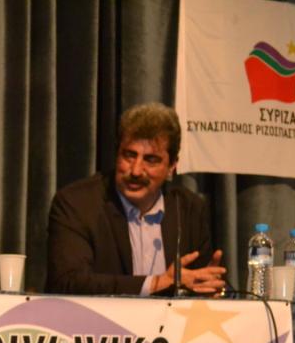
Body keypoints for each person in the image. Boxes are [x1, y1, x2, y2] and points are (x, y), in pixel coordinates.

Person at [45, 103, 226, 296]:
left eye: (151, 159)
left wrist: (206, 289)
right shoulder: (77, 204)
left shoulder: (189, 209)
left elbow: (198, 284)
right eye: (129, 156)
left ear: (172, 166)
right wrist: (155, 283)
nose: (136, 171)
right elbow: (67, 282)